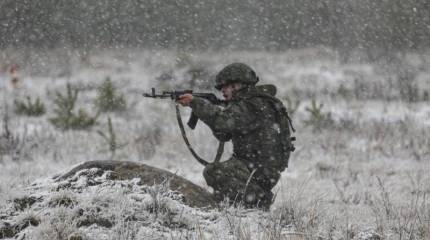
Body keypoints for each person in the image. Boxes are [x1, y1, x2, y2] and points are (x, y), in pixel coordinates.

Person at [177, 63, 294, 209]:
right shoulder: (250, 103)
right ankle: (238, 203)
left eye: (225, 87)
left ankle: (257, 202)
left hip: (260, 169)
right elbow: (224, 134)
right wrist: (206, 109)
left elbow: (223, 122)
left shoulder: (253, 104)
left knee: (214, 172)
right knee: (218, 173)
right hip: (257, 166)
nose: (223, 91)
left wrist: (197, 103)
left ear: (237, 85)